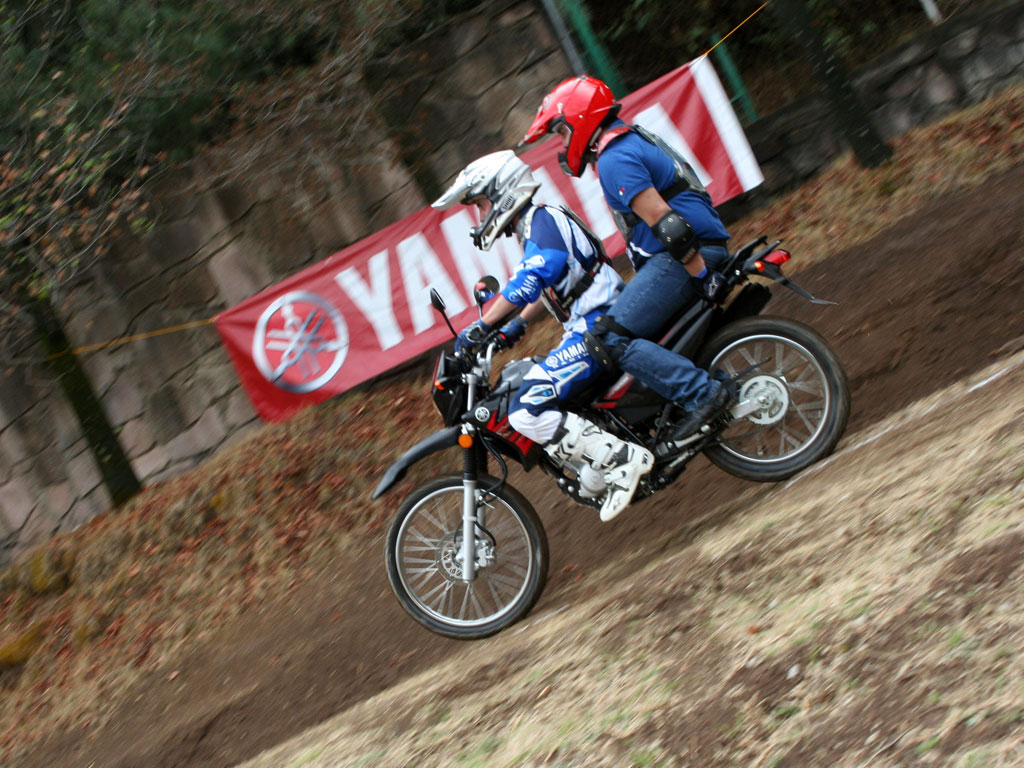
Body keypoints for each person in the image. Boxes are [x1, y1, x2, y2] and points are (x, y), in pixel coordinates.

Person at [432, 150, 654, 522]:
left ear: (502, 192)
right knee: (533, 381)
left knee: (525, 408)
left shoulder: (541, 220)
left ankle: (622, 460)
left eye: (482, 205)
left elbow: (532, 278)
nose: (482, 217)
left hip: (598, 324)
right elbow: (551, 283)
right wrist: (515, 326)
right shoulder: (536, 224)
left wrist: (484, 324)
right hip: (592, 322)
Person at [520, 74, 736, 436]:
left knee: (608, 337)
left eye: (561, 132)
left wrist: (702, 276)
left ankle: (704, 394)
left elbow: (668, 226)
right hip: (688, 254)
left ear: (580, 119)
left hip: (682, 259)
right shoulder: (627, 139)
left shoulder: (614, 157)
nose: (562, 143)